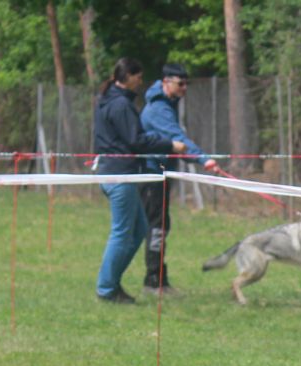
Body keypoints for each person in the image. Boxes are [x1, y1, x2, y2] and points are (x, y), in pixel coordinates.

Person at [92, 57, 186, 303]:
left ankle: (111, 283)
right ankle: (106, 289)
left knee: (140, 229)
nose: (141, 82)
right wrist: (169, 144)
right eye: (138, 77)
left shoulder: (111, 101)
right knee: (122, 233)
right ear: (129, 77)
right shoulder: (120, 105)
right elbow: (137, 140)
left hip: (120, 173)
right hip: (119, 174)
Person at [139, 63, 220, 296]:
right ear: (166, 82)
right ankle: (153, 282)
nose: (185, 88)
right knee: (157, 227)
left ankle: (159, 280)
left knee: (162, 225)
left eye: (187, 83)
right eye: (180, 83)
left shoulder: (168, 103)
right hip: (152, 173)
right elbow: (177, 139)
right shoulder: (159, 109)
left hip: (162, 171)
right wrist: (204, 160)